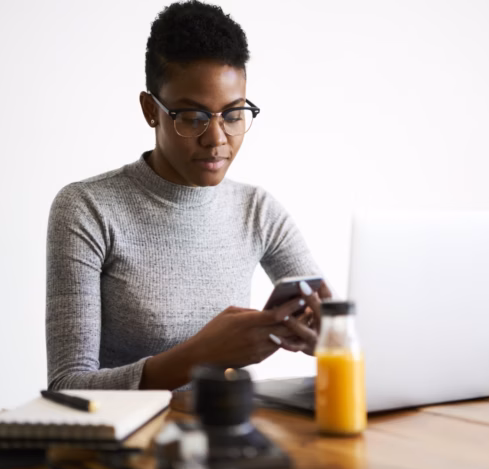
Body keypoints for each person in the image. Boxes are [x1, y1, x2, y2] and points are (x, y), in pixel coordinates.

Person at [46, 0, 330, 391]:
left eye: (232, 115)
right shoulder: (88, 209)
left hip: (228, 434)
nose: (216, 140)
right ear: (151, 110)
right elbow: (67, 387)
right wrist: (202, 355)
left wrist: (332, 340)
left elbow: (333, 326)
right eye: (193, 117)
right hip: (130, 444)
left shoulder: (257, 210)